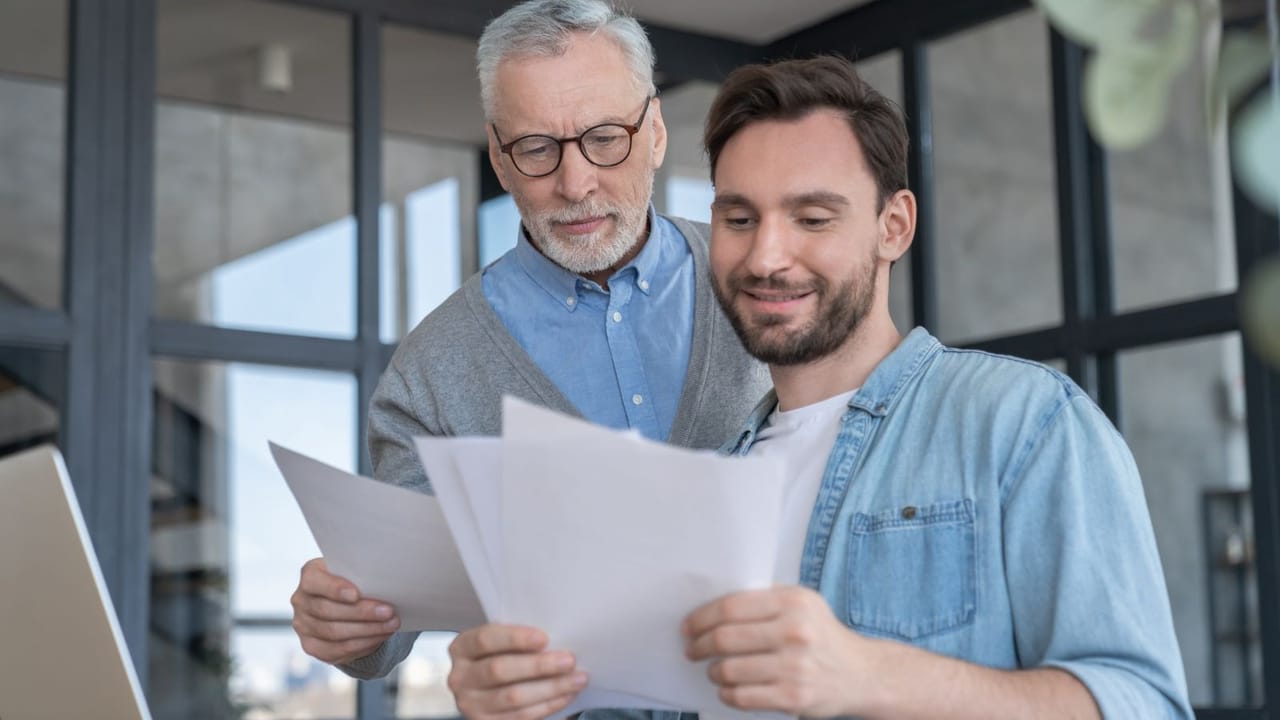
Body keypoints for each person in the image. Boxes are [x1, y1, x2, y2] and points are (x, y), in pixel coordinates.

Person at [441, 56, 1194, 720]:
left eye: (812, 217)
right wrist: (526, 701)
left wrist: (872, 676)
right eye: (740, 218)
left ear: (893, 227)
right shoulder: (710, 485)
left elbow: (1143, 704)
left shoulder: (1023, 425)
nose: (767, 256)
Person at [287, 0, 768, 683]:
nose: (575, 184)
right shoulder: (432, 370)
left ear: (656, 131)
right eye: (537, 149)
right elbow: (385, 618)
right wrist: (345, 620)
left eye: (606, 138)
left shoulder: (764, 283)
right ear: (500, 159)